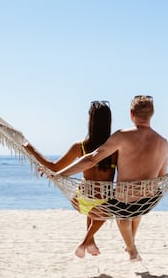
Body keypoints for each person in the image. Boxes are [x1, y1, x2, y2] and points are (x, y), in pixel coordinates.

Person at [54, 94, 168, 262]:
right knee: (135, 208)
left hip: (125, 202)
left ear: (131, 114)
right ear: (152, 114)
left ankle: (131, 250)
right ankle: (129, 244)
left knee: (118, 210)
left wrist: (61, 174)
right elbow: (161, 176)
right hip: (149, 201)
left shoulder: (122, 136)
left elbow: (92, 159)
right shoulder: (163, 142)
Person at [23, 100, 117, 258]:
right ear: (109, 122)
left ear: (90, 120)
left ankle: (91, 241)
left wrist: (31, 149)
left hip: (80, 201)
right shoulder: (115, 149)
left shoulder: (79, 147)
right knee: (106, 209)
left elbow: (53, 167)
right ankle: (85, 241)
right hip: (102, 204)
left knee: (94, 206)